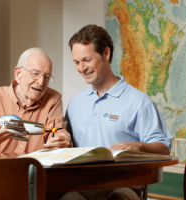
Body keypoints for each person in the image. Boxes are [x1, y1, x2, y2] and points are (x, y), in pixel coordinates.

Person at [61, 25, 173, 200]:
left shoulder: (140, 102)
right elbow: (66, 146)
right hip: (81, 186)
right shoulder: (75, 103)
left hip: (123, 186)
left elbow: (164, 149)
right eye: (76, 62)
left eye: (87, 60)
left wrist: (137, 146)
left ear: (106, 54)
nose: (81, 68)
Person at [0, 47, 71, 154]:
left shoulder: (54, 99)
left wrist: (61, 140)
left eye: (46, 77)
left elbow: (57, 130)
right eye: (35, 74)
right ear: (18, 74)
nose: (40, 82)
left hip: (35, 169)